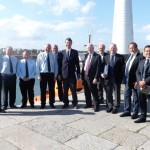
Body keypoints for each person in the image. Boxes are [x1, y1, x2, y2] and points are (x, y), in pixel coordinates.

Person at [120, 42, 144, 119]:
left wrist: (139, 80)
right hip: (127, 79)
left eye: (133, 48)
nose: (131, 49)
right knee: (126, 95)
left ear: (136, 48)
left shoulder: (140, 57)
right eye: (130, 48)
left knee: (135, 97)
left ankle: (135, 112)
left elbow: (140, 70)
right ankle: (127, 111)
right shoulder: (128, 56)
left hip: (135, 80)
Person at [102, 43, 125, 114]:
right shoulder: (106, 57)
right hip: (107, 78)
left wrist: (121, 78)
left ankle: (116, 107)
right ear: (109, 49)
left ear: (116, 49)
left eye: (114, 48)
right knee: (108, 93)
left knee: (117, 93)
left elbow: (123, 69)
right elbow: (102, 66)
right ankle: (110, 106)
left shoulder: (120, 57)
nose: (112, 49)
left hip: (116, 78)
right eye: (111, 48)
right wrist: (102, 73)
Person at [59, 37, 80, 109]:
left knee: (73, 89)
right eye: (67, 42)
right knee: (65, 90)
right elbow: (60, 64)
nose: (68, 44)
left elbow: (77, 64)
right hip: (64, 75)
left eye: (69, 42)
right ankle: (66, 103)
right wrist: (59, 74)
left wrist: (78, 73)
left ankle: (75, 103)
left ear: (71, 43)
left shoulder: (75, 52)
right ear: (65, 43)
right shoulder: (61, 53)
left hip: (72, 75)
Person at [36, 43, 58, 109]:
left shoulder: (53, 56)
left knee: (51, 90)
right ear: (44, 48)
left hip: (51, 74)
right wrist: (38, 75)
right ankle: (43, 104)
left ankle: (51, 103)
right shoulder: (40, 55)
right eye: (46, 47)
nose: (47, 48)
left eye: (48, 47)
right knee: (43, 90)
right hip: (43, 74)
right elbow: (37, 66)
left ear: (50, 48)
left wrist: (55, 75)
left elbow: (56, 66)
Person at [81, 43, 100, 112]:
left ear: (93, 48)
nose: (89, 49)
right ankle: (88, 104)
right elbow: (84, 66)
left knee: (94, 92)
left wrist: (96, 78)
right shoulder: (86, 56)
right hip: (85, 76)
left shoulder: (97, 56)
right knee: (86, 91)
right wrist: (82, 76)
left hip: (93, 78)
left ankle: (96, 105)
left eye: (90, 47)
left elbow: (98, 69)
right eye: (88, 48)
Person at [134, 45, 150, 123]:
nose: (148, 52)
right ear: (144, 52)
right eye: (147, 51)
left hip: (148, 86)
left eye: (149, 51)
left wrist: (145, 82)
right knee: (142, 101)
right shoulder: (142, 61)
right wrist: (140, 81)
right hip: (141, 86)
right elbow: (137, 72)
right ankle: (143, 117)